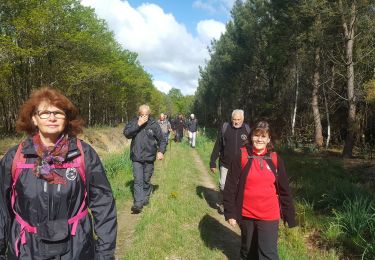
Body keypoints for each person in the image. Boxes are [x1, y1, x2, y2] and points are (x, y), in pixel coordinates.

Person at [0, 87, 117, 259]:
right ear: (34, 118)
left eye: (58, 112)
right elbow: (2, 208)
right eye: (45, 113)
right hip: (27, 250)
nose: (52, 117)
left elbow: (103, 203)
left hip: (76, 248)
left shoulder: (83, 154)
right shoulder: (16, 157)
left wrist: (105, 253)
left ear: (66, 118)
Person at [224, 121, 296, 260]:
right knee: (247, 251)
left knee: (268, 254)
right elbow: (230, 186)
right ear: (251, 137)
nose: (259, 139)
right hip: (246, 214)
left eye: (263, 137)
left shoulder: (275, 159)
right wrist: (230, 212)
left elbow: (284, 190)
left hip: (269, 214)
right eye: (257, 135)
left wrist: (289, 215)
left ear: (269, 139)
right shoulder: (241, 155)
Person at [124, 105, 166, 214]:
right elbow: (127, 133)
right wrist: (138, 124)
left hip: (149, 157)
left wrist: (161, 151)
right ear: (139, 114)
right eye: (142, 115)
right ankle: (138, 203)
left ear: (149, 114)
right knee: (138, 180)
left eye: (146, 115)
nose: (144, 117)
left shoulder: (153, 124)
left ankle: (146, 195)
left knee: (146, 179)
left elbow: (162, 140)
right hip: (136, 156)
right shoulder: (134, 121)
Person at [209, 109, 251, 214]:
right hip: (225, 163)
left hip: (241, 166)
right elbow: (217, 145)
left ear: (243, 119)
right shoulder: (225, 128)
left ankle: (234, 207)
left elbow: (251, 148)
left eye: (238, 119)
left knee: (237, 187)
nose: (236, 122)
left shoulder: (247, 130)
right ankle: (223, 203)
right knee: (223, 185)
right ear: (231, 118)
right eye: (234, 119)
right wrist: (212, 162)